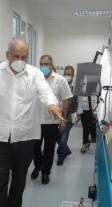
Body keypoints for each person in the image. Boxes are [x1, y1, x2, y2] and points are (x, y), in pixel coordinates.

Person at [0, 39, 63, 207]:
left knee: (19, 179)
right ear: (7, 55)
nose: (20, 60)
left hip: (24, 136)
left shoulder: (34, 74)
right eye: (16, 56)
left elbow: (45, 92)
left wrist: (52, 105)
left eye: (24, 57)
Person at [31, 55, 73, 184]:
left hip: (52, 122)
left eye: (46, 64)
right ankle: (38, 165)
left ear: (51, 65)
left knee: (49, 149)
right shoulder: (35, 79)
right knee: (35, 147)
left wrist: (63, 120)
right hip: (36, 121)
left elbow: (66, 100)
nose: (43, 66)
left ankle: (45, 172)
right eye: (41, 63)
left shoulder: (60, 80)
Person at [56, 66, 78, 166]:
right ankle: (66, 150)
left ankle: (61, 155)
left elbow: (78, 102)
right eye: (65, 74)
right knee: (57, 136)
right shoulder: (60, 85)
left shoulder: (75, 88)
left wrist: (77, 115)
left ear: (72, 76)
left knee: (63, 137)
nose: (66, 76)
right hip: (58, 115)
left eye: (69, 74)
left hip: (69, 116)